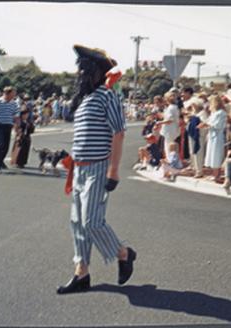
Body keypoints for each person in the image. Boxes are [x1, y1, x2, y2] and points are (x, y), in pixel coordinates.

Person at [57, 45, 136, 294]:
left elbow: (119, 132)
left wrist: (114, 170)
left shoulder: (107, 95)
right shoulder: (85, 99)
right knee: (77, 223)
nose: (80, 74)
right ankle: (81, 273)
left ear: (97, 72)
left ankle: (124, 253)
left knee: (92, 221)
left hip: (98, 167)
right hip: (79, 169)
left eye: (85, 69)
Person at [0, 86, 20, 174]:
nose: (14, 95)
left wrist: (17, 128)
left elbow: (16, 116)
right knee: (0, 144)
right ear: (8, 93)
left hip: (8, 126)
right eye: (13, 93)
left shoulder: (14, 103)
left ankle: (1, 161)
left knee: (6, 146)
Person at [199, 94, 227, 183]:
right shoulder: (213, 113)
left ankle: (217, 175)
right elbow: (209, 122)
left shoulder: (221, 113)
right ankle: (214, 174)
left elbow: (218, 125)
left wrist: (207, 125)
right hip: (212, 135)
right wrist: (204, 124)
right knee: (212, 154)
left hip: (217, 136)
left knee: (216, 155)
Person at [155, 91, 180, 159]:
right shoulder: (172, 107)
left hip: (170, 129)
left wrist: (160, 122)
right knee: (168, 145)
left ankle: (171, 160)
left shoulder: (171, 108)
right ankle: (171, 159)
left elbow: (170, 120)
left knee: (168, 145)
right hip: (170, 129)